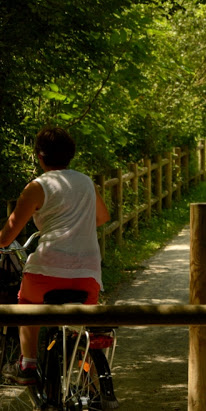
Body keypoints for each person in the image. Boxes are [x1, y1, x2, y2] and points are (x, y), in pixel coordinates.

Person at [0, 127, 110, 385]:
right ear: (70, 155)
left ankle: (28, 364)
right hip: (87, 273)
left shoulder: (37, 187)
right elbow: (103, 218)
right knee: (83, 326)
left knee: (26, 305)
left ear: (40, 156)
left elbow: (6, 238)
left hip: (46, 272)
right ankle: (94, 382)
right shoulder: (86, 182)